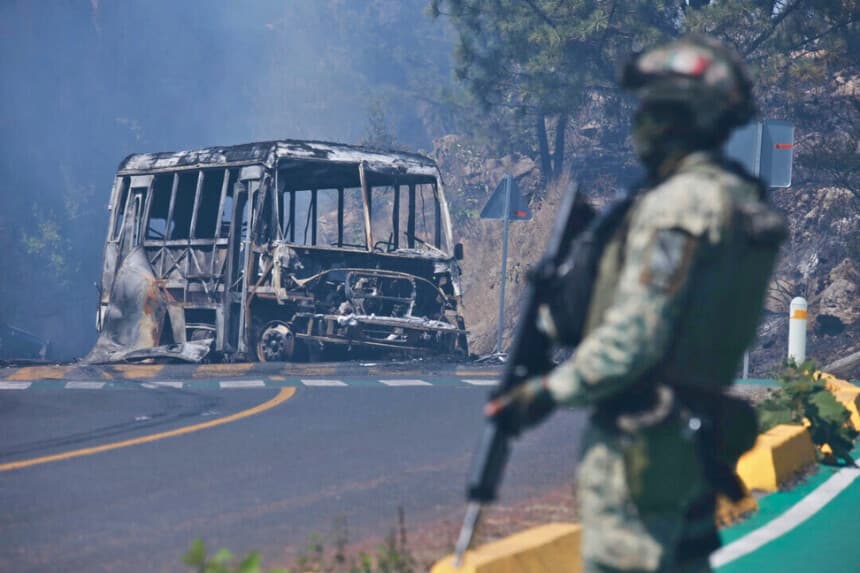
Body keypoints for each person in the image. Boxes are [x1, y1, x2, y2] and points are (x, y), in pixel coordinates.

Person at [488, 36, 787, 572]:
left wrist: (545, 392)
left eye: (652, 110)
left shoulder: (680, 207)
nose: (640, 124)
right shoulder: (742, 200)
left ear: (679, 119)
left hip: (643, 444)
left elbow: (638, 334)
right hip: (697, 439)